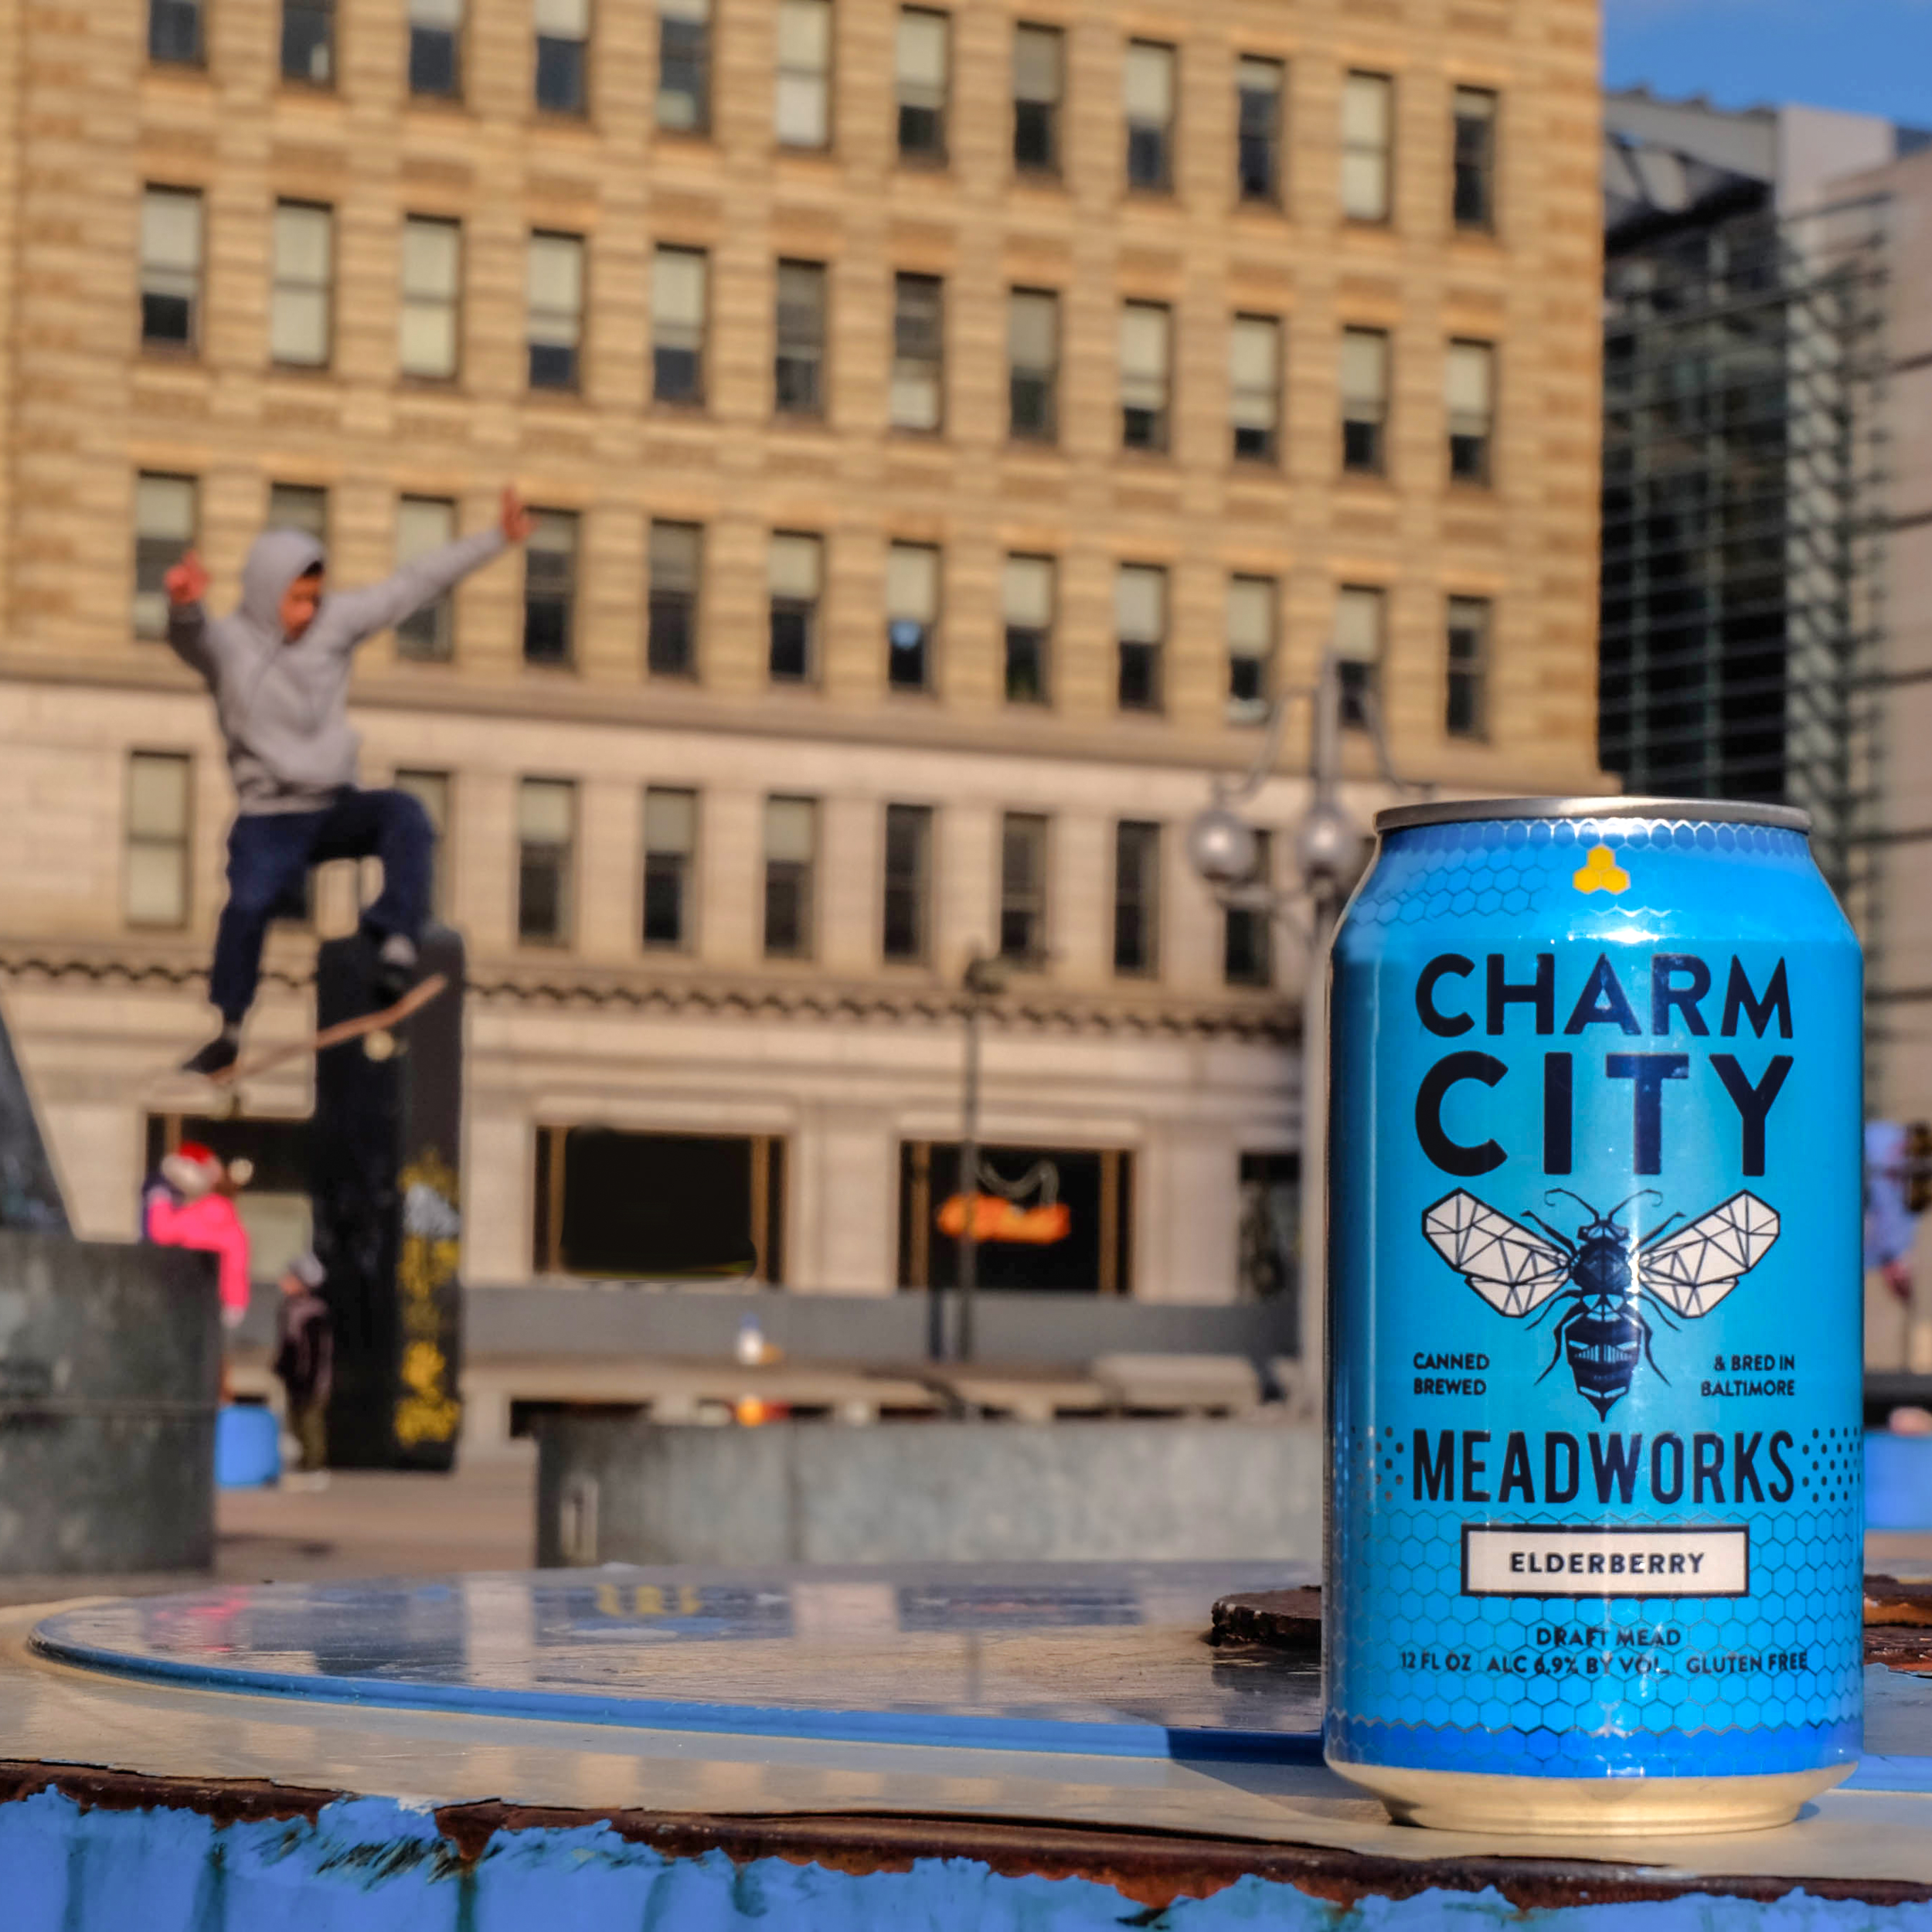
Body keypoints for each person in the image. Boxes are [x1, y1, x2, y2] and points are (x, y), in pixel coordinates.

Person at [165, 488, 534, 1076]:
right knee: (247, 904)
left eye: (314, 600)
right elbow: (192, 640)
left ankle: (394, 943)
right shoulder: (231, 646)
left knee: (406, 816)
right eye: (296, 601)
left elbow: (415, 583)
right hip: (267, 817)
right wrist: (184, 606)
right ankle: (229, 1030)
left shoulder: (337, 623)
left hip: (333, 806)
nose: (307, 614)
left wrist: (496, 539)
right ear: (267, 594)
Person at [141, 1140, 253, 1330]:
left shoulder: (203, 1213)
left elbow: (161, 1233)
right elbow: (236, 1263)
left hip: (195, 1296)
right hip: (221, 1299)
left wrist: (159, 1200)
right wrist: (235, 1300)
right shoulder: (225, 1213)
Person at [274, 1251, 334, 1477]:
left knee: (310, 1422)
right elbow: (288, 1345)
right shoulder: (289, 1308)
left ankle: (314, 1464)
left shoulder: (313, 1313)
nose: (284, 1282)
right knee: (295, 1420)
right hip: (294, 1378)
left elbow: (315, 1352)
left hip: (311, 1380)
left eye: (290, 1278)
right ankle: (303, 1462)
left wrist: (307, 1376)